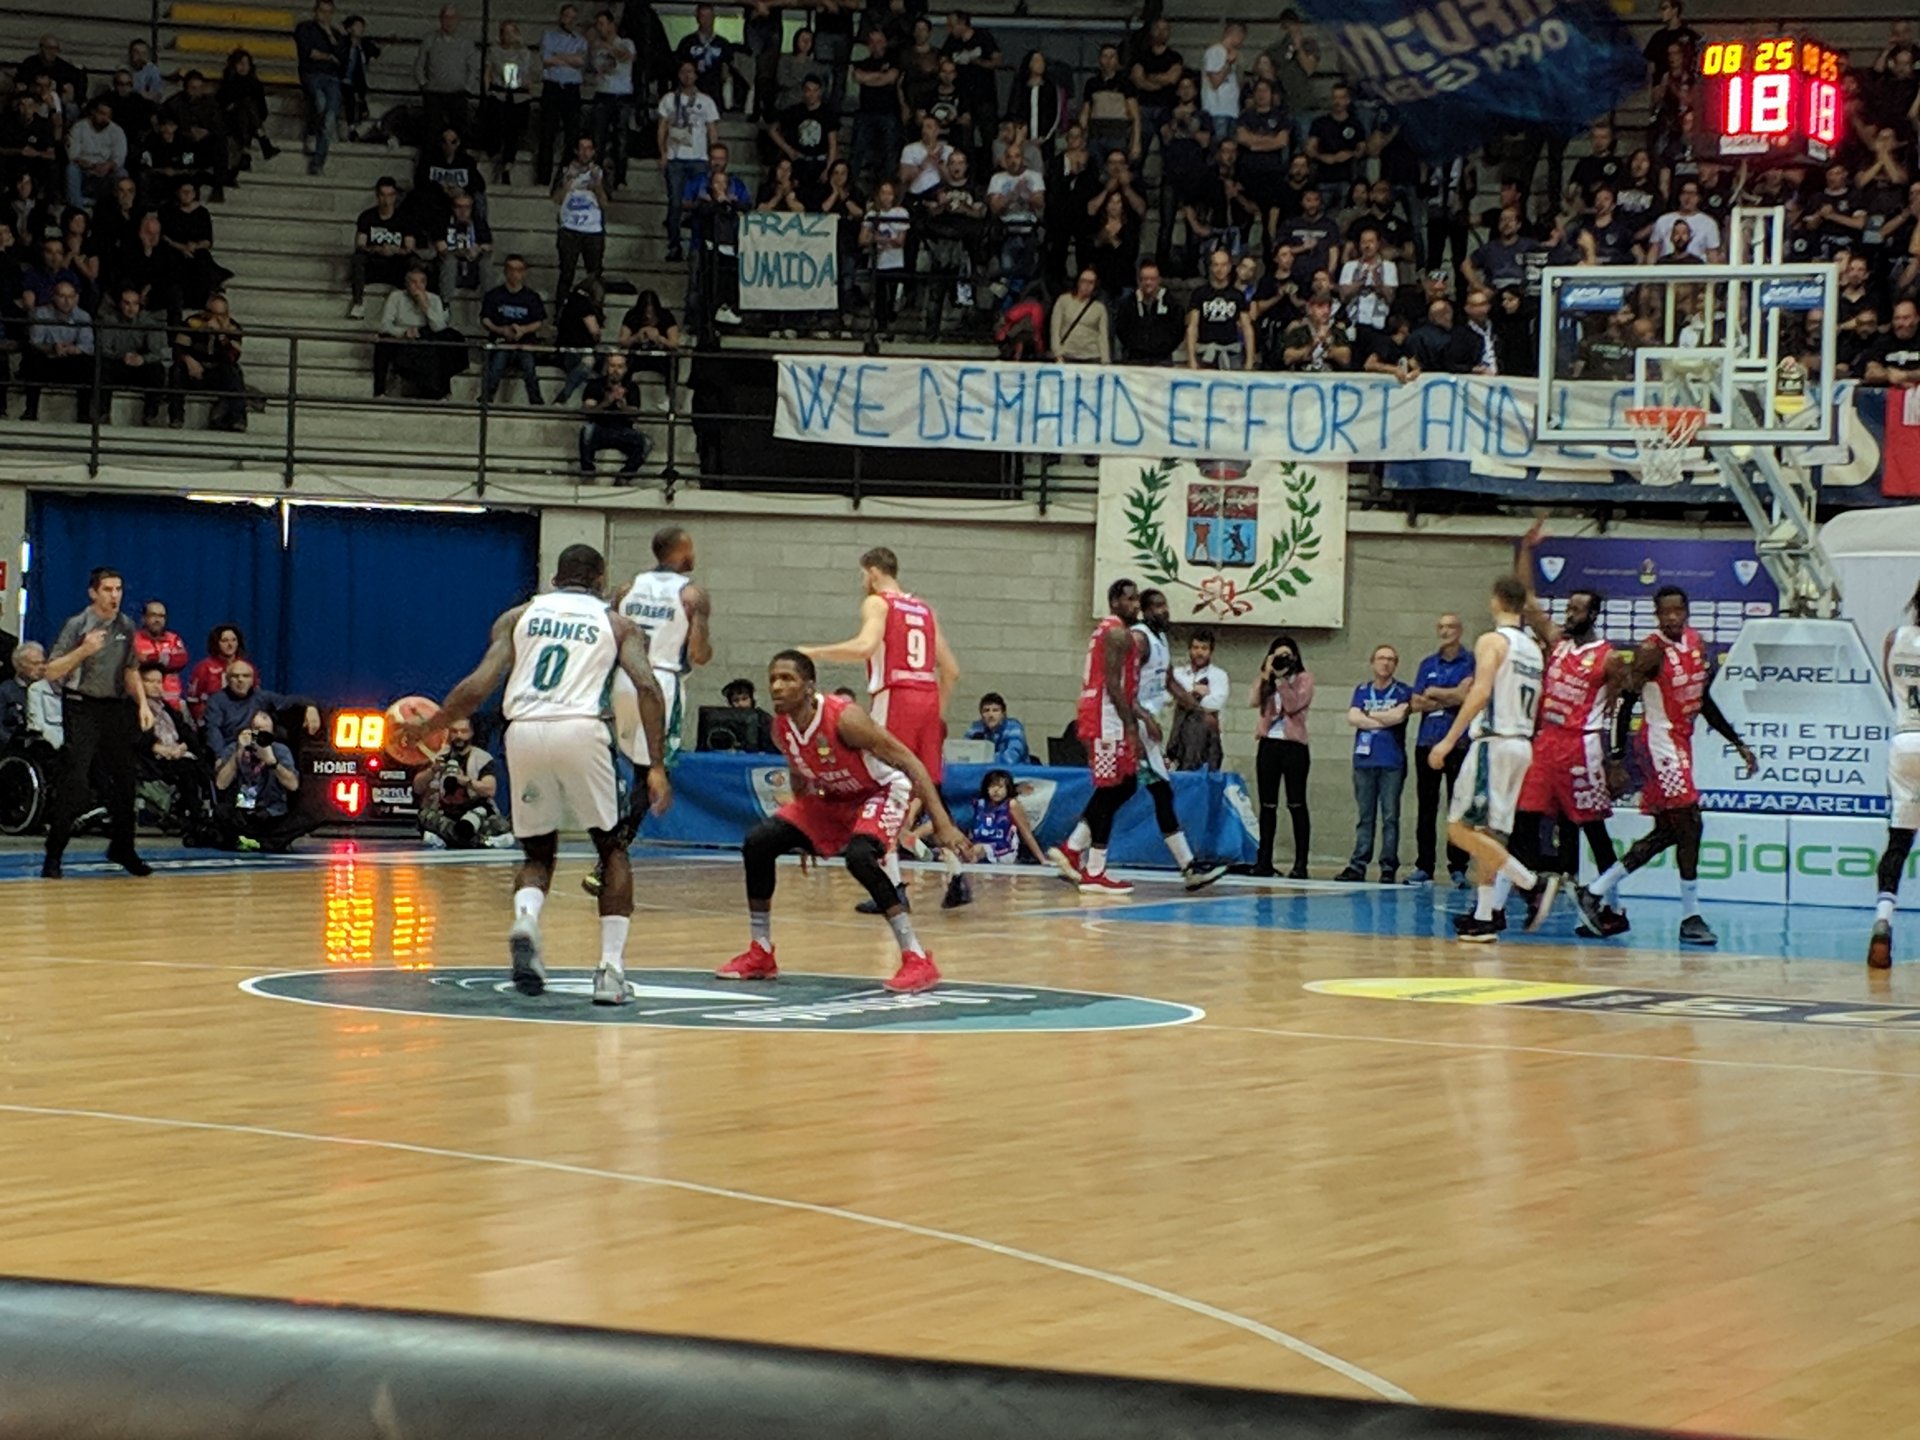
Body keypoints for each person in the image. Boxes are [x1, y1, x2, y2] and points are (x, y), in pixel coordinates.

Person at [398, 543, 670, 1005]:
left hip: (522, 731)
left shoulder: (518, 617)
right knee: (611, 847)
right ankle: (610, 971)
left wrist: (430, 726)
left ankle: (526, 918)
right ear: (601, 581)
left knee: (538, 851)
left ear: (554, 580)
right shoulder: (618, 624)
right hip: (581, 728)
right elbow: (647, 686)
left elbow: (477, 686)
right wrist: (656, 763)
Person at [714, 651, 966, 992]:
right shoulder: (781, 728)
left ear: (809, 686)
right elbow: (799, 773)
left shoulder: (846, 719)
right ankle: (761, 951)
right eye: (773, 678)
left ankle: (917, 957)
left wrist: (942, 823)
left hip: (880, 790)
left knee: (860, 857)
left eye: (787, 678)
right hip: (834, 797)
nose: (777, 686)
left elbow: (910, 761)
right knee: (759, 841)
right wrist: (804, 827)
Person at [1568, 587, 1758, 947]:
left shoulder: (1696, 643)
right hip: (1659, 742)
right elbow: (1624, 704)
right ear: (1656, 615)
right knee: (1690, 823)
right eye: (1665, 612)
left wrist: (1737, 742)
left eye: (1677, 610)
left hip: (1681, 742)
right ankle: (1690, 916)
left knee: (1672, 830)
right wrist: (1617, 758)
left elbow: (1703, 701)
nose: (1672, 617)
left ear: (1686, 612)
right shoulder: (1651, 651)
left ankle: (1594, 891)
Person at [800, 545, 963, 910]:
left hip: (896, 696)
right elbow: (951, 670)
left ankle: (892, 888)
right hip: (928, 699)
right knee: (927, 788)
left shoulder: (878, 603)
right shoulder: (925, 609)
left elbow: (864, 646)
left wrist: (813, 653)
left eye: (863, 575)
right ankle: (957, 875)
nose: (862, 582)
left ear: (873, 572)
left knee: (881, 787)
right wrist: (935, 715)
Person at [1511, 523, 1631, 934]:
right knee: (1525, 816)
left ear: (1593, 614)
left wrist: (1616, 759)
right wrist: (1526, 549)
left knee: (1593, 828)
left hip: (1582, 747)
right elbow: (1528, 603)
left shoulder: (1609, 658)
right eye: (1568, 607)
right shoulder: (1558, 643)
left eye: (1577, 609)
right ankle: (1528, 888)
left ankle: (1612, 906)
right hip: (1547, 742)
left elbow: (1619, 707)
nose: (1569, 613)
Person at [584, 525, 715, 897]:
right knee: (651, 773)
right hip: (660, 682)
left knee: (628, 766)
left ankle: (608, 848)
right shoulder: (691, 594)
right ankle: (609, 858)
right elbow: (699, 654)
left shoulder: (626, 589)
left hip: (622, 679)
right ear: (681, 550)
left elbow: (606, 638)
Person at [1428, 576, 1559, 943]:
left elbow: (1481, 692)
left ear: (1496, 601)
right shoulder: (1533, 648)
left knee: (1458, 829)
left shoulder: (1492, 641)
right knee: (1489, 834)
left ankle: (1531, 884)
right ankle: (1485, 916)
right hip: (1521, 744)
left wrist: (1447, 741)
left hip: (1494, 741)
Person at [1047, 578, 1157, 896]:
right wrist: (1131, 725)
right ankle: (1094, 870)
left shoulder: (1116, 632)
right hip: (1105, 719)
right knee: (1110, 789)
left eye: (1137, 599)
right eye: (1130, 599)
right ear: (1114, 602)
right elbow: (1112, 683)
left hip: (1107, 715)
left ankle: (1073, 848)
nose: (1135, 605)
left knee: (1126, 784)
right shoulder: (1116, 632)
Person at [40, 566, 151, 879]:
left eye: (118, 589)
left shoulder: (126, 625)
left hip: (114, 707)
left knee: (125, 780)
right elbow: (51, 671)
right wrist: (83, 650)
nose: (114, 595)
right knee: (76, 781)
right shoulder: (77, 624)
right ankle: (54, 853)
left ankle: (123, 848)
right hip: (81, 705)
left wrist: (143, 703)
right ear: (93, 593)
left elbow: (130, 670)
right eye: (108, 589)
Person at [1128, 589, 1230, 890]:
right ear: (1144, 610)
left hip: (1145, 725)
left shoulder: (1159, 640)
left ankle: (1189, 866)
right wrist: (1143, 720)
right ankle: (1076, 851)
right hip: (1130, 723)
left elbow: (1171, 683)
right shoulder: (1138, 638)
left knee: (1155, 792)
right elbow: (1123, 686)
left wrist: (1198, 711)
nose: (1165, 610)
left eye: (1166, 604)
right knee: (1119, 791)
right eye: (1158, 606)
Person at [1871, 579, 1920, 967]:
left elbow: (1892, 690)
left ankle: (1883, 921)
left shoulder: (1894, 638)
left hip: (1904, 742)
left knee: (1899, 842)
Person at [1406, 613, 1474, 887]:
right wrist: (1452, 695)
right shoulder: (1427, 664)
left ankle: (1458, 867)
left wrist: (1434, 691)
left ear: (1460, 630)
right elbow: (1416, 703)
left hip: (1459, 743)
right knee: (1426, 806)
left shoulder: (1471, 662)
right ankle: (1424, 866)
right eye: (1441, 627)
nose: (1446, 631)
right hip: (1427, 742)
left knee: (1457, 807)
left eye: (1450, 627)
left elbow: (1469, 697)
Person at [1337, 645, 1412, 883]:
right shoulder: (1361, 690)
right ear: (1372, 662)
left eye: (1391, 659)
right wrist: (1383, 719)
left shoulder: (1403, 691)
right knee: (1365, 816)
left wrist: (1367, 716)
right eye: (1381, 658)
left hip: (1392, 762)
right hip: (1364, 761)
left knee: (1390, 817)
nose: (1385, 663)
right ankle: (1358, 864)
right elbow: (1352, 717)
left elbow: (1398, 716)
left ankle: (1388, 866)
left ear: (1395, 664)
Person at [910, 768, 1048, 889]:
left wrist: (1042, 859)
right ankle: (915, 844)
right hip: (979, 846)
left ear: (1008, 789)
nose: (996, 790)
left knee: (976, 850)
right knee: (947, 838)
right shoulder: (979, 804)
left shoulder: (1011, 805)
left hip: (1003, 850)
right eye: (992, 786)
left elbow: (1026, 834)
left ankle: (946, 861)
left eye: (1001, 787)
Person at [1251, 634, 1313, 877]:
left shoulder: (1304, 679)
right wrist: (1266, 675)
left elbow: (1293, 705)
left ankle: (1300, 863)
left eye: (1286, 656)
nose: (1282, 660)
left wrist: (1281, 681)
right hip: (1269, 744)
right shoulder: (1268, 678)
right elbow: (1253, 701)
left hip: (1294, 746)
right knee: (1267, 805)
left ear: (1295, 657)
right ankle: (1264, 860)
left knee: (1296, 803)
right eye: (1278, 656)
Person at [211, 711, 316, 852]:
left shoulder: (280, 750)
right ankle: (263, 842)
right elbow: (221, 784)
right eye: (256, 731)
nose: (260, 736)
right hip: (243, 812)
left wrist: (272, 762)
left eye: (265, 732)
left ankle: (258, 841)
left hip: (272, 814)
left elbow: (293, 785)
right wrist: (238, 754)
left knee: (308, 816)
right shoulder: (234, 748)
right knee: (221, 812)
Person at [413, 718, 513, 848]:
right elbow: (417, 787)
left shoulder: (482, 758)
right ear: (448, 733)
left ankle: (447, 838)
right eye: (454, 731)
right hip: (445, 813)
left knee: (497, 824)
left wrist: (467, 781)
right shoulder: (438, 756)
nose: (459, 736)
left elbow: (490, 789)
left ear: (472, 733)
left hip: (475, 810)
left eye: (463, 731)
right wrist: (432, 770)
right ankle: (484, 841)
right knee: (424, 817)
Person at [657, 61, 720, 263]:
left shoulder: (706, 101)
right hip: (675, 159)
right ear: (678, 75)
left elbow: (712, 130)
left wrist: (714, 156)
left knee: (700, 204)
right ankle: (674, 246)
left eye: (690, 72)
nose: (687, 75)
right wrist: (663, 152)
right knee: (675, 203)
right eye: (683, 72)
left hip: (699, 159)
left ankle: (698, 246)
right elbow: (662, 128)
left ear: (696, 75)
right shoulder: (669, 99)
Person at [373, 265, 465, 399]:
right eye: (413, 282)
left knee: (446, 340)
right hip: (401, 336)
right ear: (406, 284)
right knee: (382, 342)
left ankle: (442, 391)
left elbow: (439, 327)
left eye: (421, 282)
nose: (417, 286)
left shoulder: (434, 299)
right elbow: (384, 325)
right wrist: (403, 332)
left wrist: (425, 306)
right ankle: (379, 391)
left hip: (425, 337)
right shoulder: (396, 297)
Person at [294, 0, 345, 175]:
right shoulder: (305, 28)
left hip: (332, 78)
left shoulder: (336, 34)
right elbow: (308, 52)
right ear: (315, 11)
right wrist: (329, 57)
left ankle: (318, 160)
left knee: (330, 118)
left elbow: (341, 58)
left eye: (329, 12)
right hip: (312, 74)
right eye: (322, 11)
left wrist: (330, 37)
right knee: (321, 104)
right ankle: (312, 131)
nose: (325, 15)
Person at [1168, 627, 1227, 772]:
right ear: (1189, 649)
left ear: (1211, 651)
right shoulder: (1178, 674)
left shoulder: (1219, 675)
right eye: (1195, 648)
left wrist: (1184, 697)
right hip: (1180, 737)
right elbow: (1167, 699)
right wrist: (1194, 693)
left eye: (1204, 648)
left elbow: (1215, 703)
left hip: (1207, 739)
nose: (1199, 652)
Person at [132, 598, 189, 704]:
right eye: (153, 615)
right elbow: (135, 662)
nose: (157, 620)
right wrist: (166, 660)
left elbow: (181, 660)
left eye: (161, 616)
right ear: (144, 618)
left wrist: (155, 659)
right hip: (143, 702)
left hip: (173, 702)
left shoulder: (173, 638)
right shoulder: (134, 639)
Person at [187, 623, 244, 721]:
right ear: (216, 643)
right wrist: (203, 719)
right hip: (212, 720)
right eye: (224, 640)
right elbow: (193, 700)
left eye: (234, 640)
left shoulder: (246, 667)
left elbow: (255, 697)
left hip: (242, 719)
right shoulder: (204, 667)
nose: (230, 644)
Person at [964, 692, 1027, 763]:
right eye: (986, 710)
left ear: (1003, 714)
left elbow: (1011, 758)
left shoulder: (1013, 728)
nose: (991, 715)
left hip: (1013, 770)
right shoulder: (976, 728)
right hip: (983, 769)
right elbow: (963, 754)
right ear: (981, 714)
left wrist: (981, 758)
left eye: (995, 710)